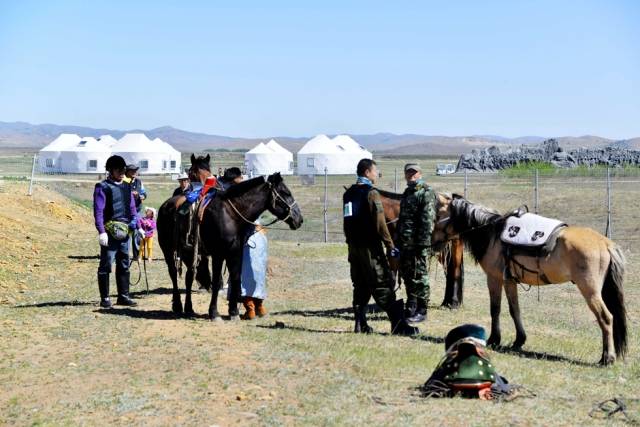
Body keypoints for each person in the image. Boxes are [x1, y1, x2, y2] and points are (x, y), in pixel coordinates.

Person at [343, 158, 419, 336]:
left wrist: (350, 242)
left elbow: (347, 222)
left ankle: (360, 324)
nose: (377, 174)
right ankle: (398, 325)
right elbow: (380, 224)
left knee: (360, 284)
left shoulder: (349, 194)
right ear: (367, 172)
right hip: (370, 247)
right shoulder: (371, 194)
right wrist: (390, 245)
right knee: (382, 282)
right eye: (375, 171)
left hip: (354, 248)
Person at [93, 155, 140, 308]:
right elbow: (98, 211)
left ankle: (123, 296)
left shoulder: (127, 187)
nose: (121, 172)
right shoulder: (102, 187)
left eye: (123, 170)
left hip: (125, 232)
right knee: (106, 265)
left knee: (124, 264)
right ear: (110, 170)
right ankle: (105, 298)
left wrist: (136, 224)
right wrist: (101, 231)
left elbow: (133, 208)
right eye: (118, 170)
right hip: (109, 232)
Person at [398, 163, 436, 323]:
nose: (411, 175)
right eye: (409, 172)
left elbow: (427, 221)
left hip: (419, 244)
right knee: (407, 274)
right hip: (405, 243)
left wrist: (422, 245)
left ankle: (422, 308)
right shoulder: (407, 192)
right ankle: (411, 304)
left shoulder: (426, 192)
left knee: (420, 276)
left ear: (420, 173)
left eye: (414, 172)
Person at [239, 222, 269, 319]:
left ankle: (250, 309)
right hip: (259, 237)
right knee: (258, 276)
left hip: (249, 238)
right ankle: (259, 307)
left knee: (245, 276)